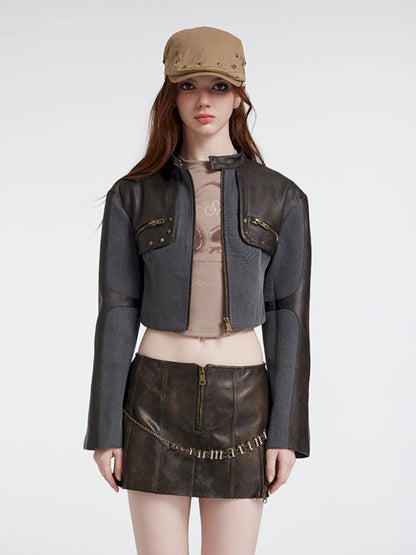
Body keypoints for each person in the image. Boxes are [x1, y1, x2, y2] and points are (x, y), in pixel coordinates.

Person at [83, 26, 312, 555]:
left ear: (239, 97)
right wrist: (105, 428)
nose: (203, 100)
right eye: (188, 86)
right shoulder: (131, 195)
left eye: (218, 87)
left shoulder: (282, 197)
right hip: (153, 401)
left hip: (244, 405)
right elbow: (117, 311)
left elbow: (289, 317)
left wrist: (286, 432)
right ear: (171, 94)